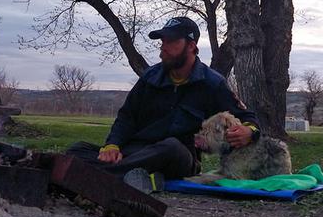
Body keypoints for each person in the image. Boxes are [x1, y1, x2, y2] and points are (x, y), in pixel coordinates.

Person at [66, 17, 260, 191]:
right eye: (163, 41)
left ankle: (96, 176)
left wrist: (250, 132)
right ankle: (134, 177)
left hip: (179, 157)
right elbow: (127, 117)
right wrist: (112, 146)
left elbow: (247, 119)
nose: (163, 47)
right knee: (77, 149)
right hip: (136, 152)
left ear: (191, 46)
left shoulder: (212, 83)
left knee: (170, 147)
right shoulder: (150, 77)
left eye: (171, 41)